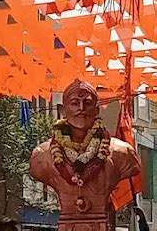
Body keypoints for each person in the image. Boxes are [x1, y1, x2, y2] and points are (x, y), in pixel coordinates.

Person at [30, 79, 141, 231]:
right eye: (75, 103)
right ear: (63, 110)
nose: (81, 108)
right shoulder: (42, 155)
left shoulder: (121, 152)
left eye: (87, 103)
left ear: (96, 110)